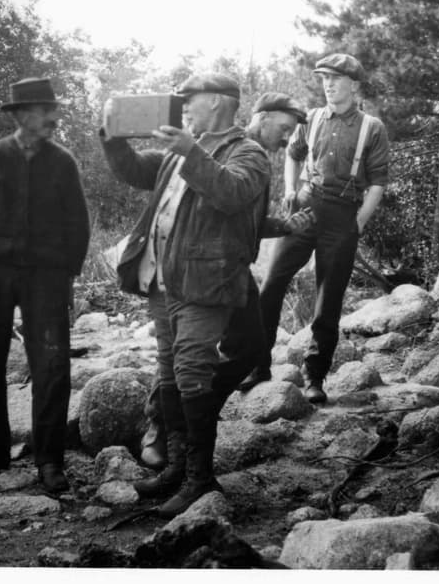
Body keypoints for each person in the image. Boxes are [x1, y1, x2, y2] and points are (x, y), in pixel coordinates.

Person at [99, 73, 270, 518]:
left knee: (193, 370)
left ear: (216, 102)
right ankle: (178, 467)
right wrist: (111, 137)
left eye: (190, 100)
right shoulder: (181, 152)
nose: (184, 109)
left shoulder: (249, 153)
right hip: (162, 280)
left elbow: (231, 194)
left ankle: (200, 478)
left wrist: (189, 152)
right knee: (172, 373)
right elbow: (133, 169)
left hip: (205, 283)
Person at [137, 92, 308, 470]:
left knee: (247, 348)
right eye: (283, 129)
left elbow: (240, 218)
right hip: (201, 271)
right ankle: (166, 427)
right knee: (182, 357)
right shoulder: (230, 150)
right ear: (262, 119)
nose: (286, 139)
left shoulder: (249, 156)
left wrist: (283, 224)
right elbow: (225, 195)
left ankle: (189, 416)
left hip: (228, 266)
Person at [0, 77, 90, 494]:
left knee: (51, 366)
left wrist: (69, 273)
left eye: (53, 111)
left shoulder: (63, 161)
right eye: (46, 112)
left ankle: (49, 461)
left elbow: (78, 223)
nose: (53, 118)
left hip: (47, 277)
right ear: (24, 115)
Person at [246, 53, 390, 403]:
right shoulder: (309, 119)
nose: (328, 84)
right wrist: (291, 191)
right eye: (325, 78)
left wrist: (357, 223)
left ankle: (315, 376)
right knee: (272, 284)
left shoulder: (372, 127)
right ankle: (258, 364)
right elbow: (293, 155)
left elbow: (377, 183)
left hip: (344, 215)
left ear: (353, 85)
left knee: (328, 301)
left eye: (336, 79)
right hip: (306, 209)